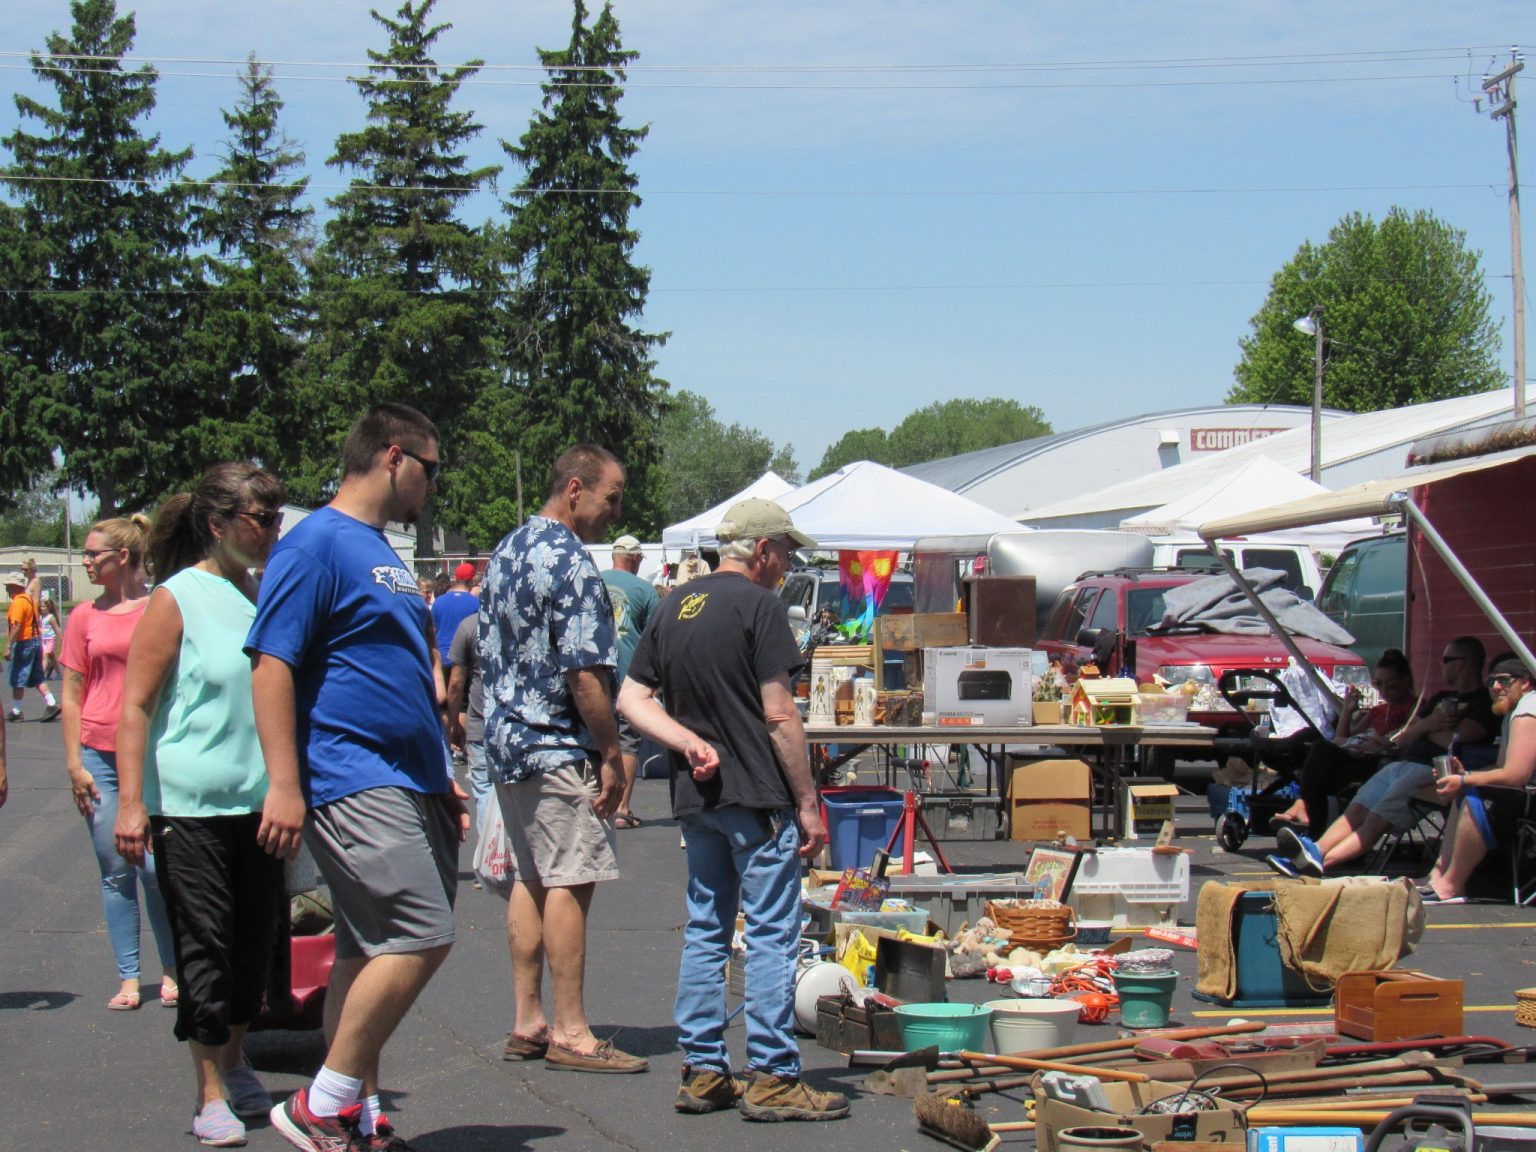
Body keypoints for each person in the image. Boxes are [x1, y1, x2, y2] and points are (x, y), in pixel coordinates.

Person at [247, 403, 467, 1152]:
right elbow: (272, 661)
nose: (433, 486)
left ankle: (357, 1115)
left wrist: (440, 769)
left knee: (362, 949)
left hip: (410, 776)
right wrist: (284, 782)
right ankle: (323, 1101)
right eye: (432, 470)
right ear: (395, 456)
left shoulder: (377, 548)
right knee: (420, 931)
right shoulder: (315, 543)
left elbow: (399, 671)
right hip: (350, 772)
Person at [618, 498, 850, 1122]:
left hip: (700, 797)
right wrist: (809, 803)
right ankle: (773, 1075)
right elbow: (780, 714)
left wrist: (685, 742)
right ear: (764, 549)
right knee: (772, 932)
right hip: (757, 794)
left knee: (707, 927)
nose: (789, 564)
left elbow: (632, 698)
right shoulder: (760, 606)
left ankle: (703, 1070)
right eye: (788, 553)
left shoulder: (672, 605)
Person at [114, 463, 289, 1147]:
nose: (273, 531)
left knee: (256, 949)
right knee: (206, 946)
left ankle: (236, 1057)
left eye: (277, 519)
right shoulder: (177, 597)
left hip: (261, 802)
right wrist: (132, 803)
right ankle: (208, 1089)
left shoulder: (267, 596)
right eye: (260, 519)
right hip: (188, 805)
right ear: (218, 526)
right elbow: (135, 706)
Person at [480, 444, 645, 1073]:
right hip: (553, 742)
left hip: (508, 742)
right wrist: (609, 750)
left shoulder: (508, 548)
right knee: (570, 880)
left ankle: (529, 1020)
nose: (616, 509)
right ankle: (573, 1032)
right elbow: (584, 674)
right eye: (612, 496)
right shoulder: (571, 562)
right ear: (574, 489)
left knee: (531, 877)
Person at [59, 517, 178, 1010]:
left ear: (122, 557)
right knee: (114, 869)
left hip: (150, 754)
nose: (86, 561)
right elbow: (70, 692)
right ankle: (129, 977)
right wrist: (74, 763)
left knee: (154, 868)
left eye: (93, 554)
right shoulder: (83, 616)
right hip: (98, 753)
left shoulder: (157, 607)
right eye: (85, 553)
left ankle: (172, 970)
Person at [1269, 635, 1497, 878]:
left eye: (1446, 659)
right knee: (1356, 808)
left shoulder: (1483, 702)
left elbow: (1457, 741)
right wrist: (1430, 725)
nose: (1441, 665)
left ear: (1461, 663)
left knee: (1376, 818)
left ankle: (1318, 863)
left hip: (1431, 770)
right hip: (1400, 763)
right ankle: (1315, 850)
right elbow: (1405, 736)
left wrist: (1425, 730)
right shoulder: (1441, 699)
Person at [1420, 652, 1536, 904]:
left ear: (1525, 682)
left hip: (1531, 802)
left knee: (1477, 794)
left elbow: (1516, 775)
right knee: (1470, 788)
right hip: (1527, 796)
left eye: (1504, 681)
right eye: (1491, 681)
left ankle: (1451, 885)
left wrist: (1465, 781)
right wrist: (1465, 776)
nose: (1495, 687)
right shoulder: (1514, 713)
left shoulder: (1529, 710)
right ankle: (1439, 875)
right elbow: (1502, 766)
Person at [1271, 649, 1417, 837]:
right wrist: (1347, 710)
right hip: (1358, 756)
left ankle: (1306, 814)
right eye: (1378, 684)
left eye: (1391, 686)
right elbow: (1342, 738)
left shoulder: (1414, 709)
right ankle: (1312, 828)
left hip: (1381, 763)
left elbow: (1409, 742)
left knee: (1320, 761)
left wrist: (1381, 744)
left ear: (1405, 682)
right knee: (1306, 743)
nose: (1384, 691)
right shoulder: (1378, 711)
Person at [603, 535, 658, 829]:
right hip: (629, 677)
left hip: (593, 676)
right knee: (627, 743)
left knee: (594, 740)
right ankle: (622, 809)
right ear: (635, 558)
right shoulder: (645, 590)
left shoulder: (592, 581)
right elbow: (655, 638)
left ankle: (597, 801)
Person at [6, 571, 60, 721]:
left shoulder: (18, 602)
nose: (8, 590)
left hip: (24, 642)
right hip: (35, 641)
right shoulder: (29, 600)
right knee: (37, 676)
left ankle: (16, 711)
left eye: (9, 587)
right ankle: (51, 703)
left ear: (14, 587)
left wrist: (9, 645)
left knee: (18, 676)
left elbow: (16, 626)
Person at [39, 593, 61, 681]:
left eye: (43, 607)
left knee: (45, 656)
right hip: (43, 640)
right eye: (41, 606)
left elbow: (57, 629)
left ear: (49, 607)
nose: (42, 608)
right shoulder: (41, 617)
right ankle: (59, 673)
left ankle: (41, 675)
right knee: (52, 658)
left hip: (50, 639)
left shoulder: (50, 617)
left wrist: (61, 638)